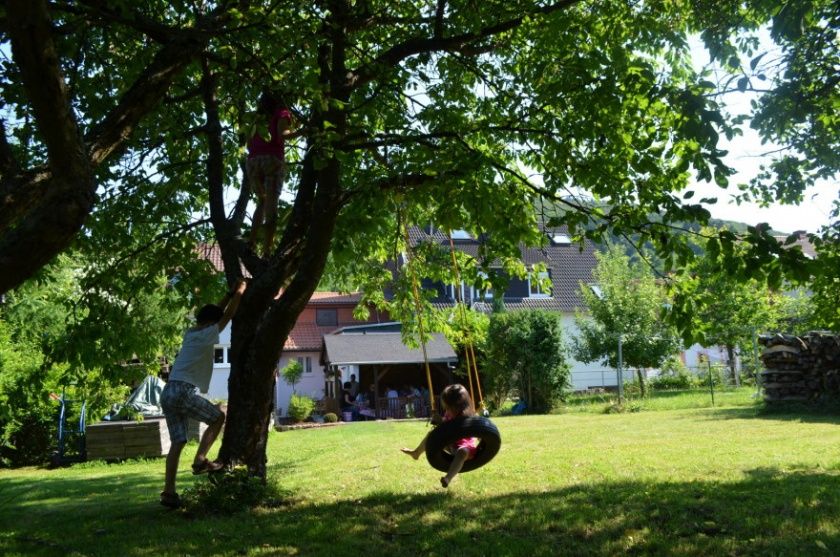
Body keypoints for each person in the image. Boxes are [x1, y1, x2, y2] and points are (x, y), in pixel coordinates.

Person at [159, 279, 247, 509]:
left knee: (177, 442)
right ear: (210, 323)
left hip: (167, 392)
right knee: (218, 417)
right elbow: (226, 316)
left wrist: (228, 294)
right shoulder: (209, 332)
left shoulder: (192, 332)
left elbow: (217, 312)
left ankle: (169, 492)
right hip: (182, 391)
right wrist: (239, 292)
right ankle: (200, 460)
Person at [401, 384, 478, 488]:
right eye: (446, 407)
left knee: (462, 452)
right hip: (450, 444)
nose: (447, 410)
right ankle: (416, 453)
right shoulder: (448, 413)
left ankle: (448, 478)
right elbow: (445, 430)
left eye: (449, 407)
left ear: (459, 405)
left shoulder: (469, 417)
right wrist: (438, 421)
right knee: (431, 435)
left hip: (465, 447)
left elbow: (460, 430)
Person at [247, 91, 294, 256]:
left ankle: (251, 242)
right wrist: (305, 131)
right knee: (271, 205)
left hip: (252, 162)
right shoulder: (282, 112)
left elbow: (248, 142)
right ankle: (267, 250)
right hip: (272, 160)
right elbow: (283, 135)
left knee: (262, 202)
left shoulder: (256, 118)